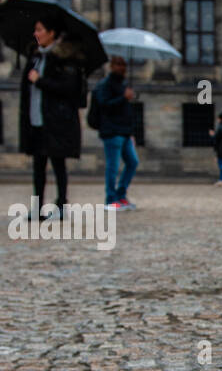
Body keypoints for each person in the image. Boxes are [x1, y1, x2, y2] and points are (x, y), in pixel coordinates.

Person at [19, 14, 85, 220]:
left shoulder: (65, 57)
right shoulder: (35, 57)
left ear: (51, 33)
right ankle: (37, 206)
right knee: (38, 165)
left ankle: (61, 204)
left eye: (39, 29)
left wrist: (40, 81)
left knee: (58, 163)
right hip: (36, 117)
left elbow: (69, 88)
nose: (36, 34)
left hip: (57, 120)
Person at [92, 55, 138, 210]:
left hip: (124, 131)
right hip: (111, 131)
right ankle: (110, 199)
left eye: (123, 65)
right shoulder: (105, 84)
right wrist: (122, 98)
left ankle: (121, 194)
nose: (121, 68)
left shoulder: (123, 84)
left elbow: (127, 112)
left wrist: (131, 133)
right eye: (118, 65)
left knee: (132, 162)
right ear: (112, 66)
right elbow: (104, 105)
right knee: (113, 166)